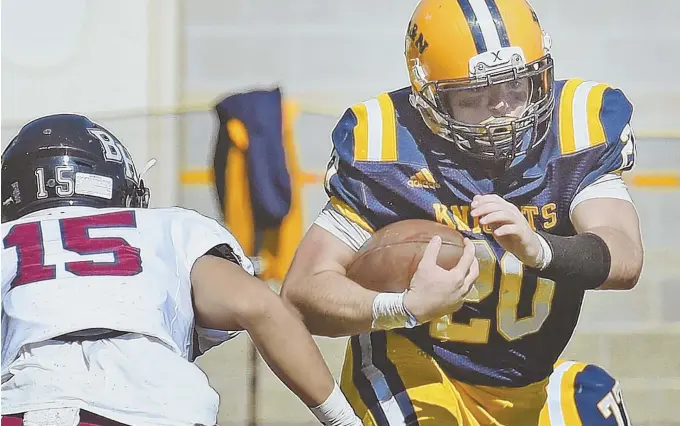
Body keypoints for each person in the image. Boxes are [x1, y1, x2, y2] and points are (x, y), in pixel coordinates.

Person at [281, 0, 643, 424]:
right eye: (473, 96)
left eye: (514, 86)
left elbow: (625, 255)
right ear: (429, 97)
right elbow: (301, 291)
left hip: (526, 385)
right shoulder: (388, 146)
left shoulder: (576, 127)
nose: (501, 110)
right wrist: (403, 306)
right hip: (416, 369)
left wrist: (542, 248)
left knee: (594, 408)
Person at [0, 114, 362, 426]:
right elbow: (259, 307)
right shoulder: (168, 228)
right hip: (158, 409)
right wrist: (344, 420)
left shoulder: (6, 240)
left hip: (31, 406)